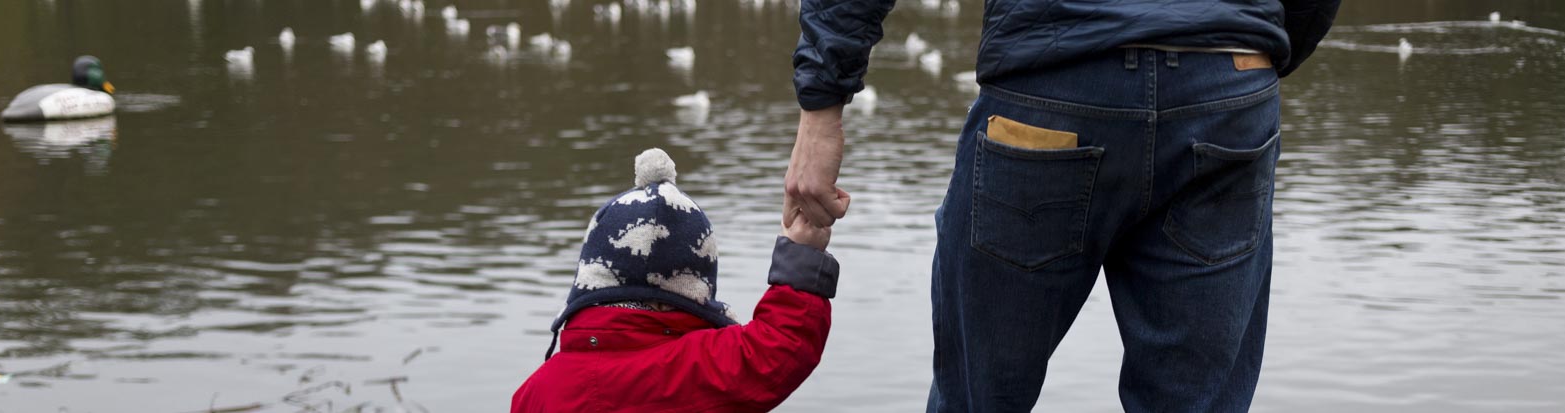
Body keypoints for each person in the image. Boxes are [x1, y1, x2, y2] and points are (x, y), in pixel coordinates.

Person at [786, 1, 1341, 411]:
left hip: (1051, 78)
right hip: (1228, 84)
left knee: (979, 399)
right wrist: (1255, 43)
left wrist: (822, 103)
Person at [513, 148, 841, 412]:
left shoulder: (534, 393)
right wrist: (802, 251)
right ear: (690, 290)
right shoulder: (692, 367)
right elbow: (782, 344)